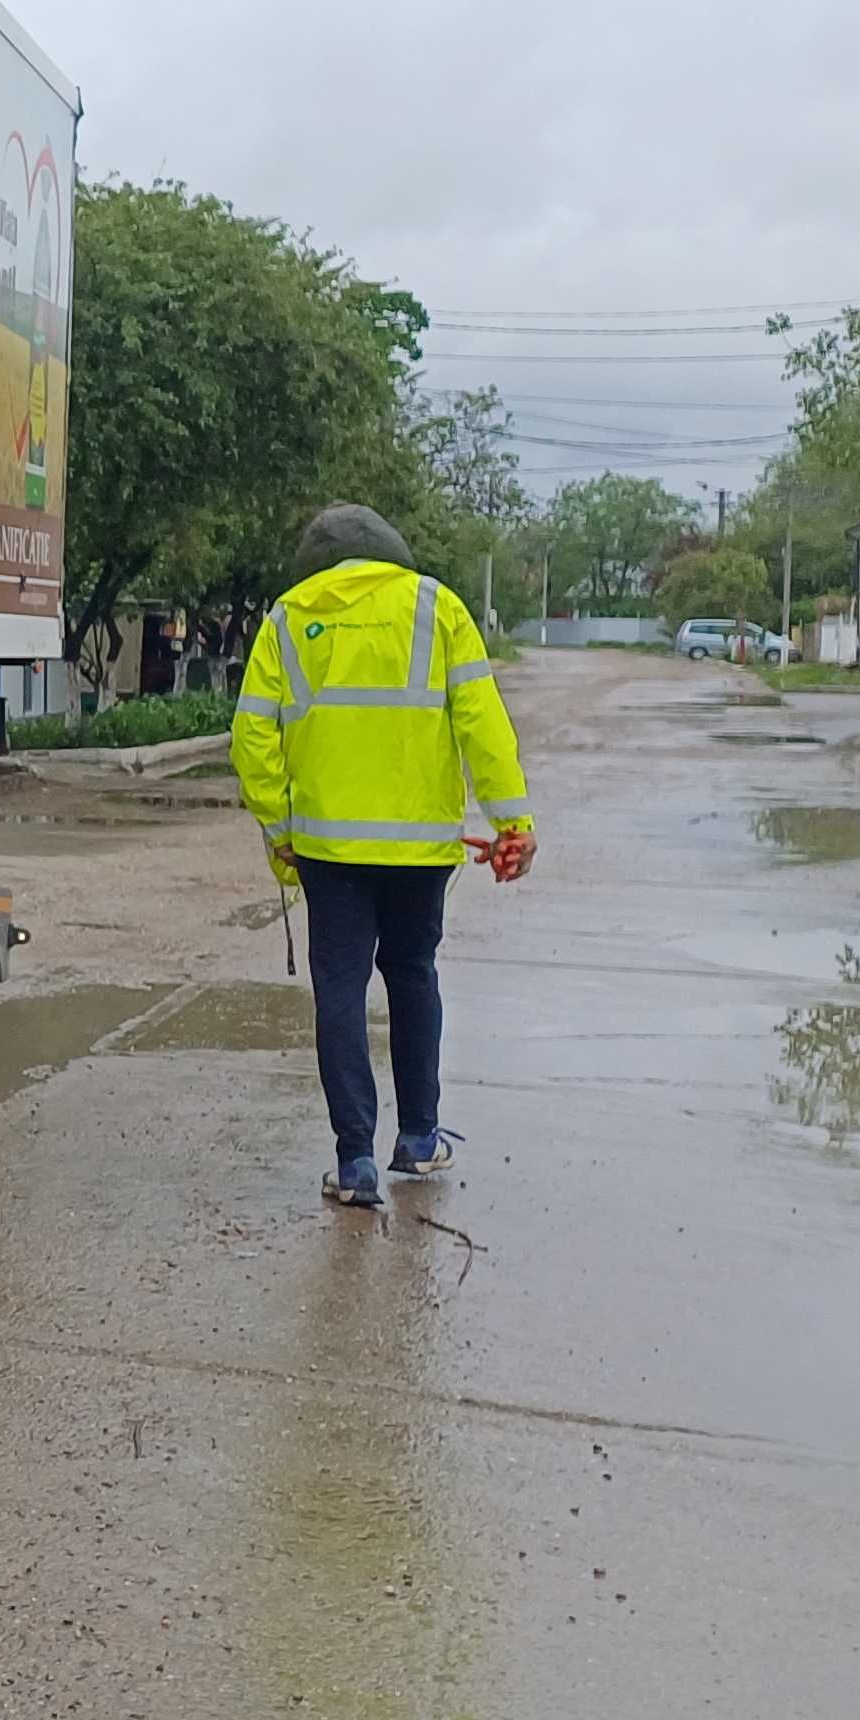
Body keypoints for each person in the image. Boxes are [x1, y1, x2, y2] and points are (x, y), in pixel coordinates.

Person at [227, 504, 535, 1208]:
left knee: (340, 988)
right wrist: (512, 819)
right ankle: (420, 1140)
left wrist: (280, 828)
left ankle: (355, 1162)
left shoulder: (287, 618)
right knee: (413, 975)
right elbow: (483, 723)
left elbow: (251, 740)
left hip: (328, 849)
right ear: (393, 553)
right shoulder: (439, 607)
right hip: (422, 849)